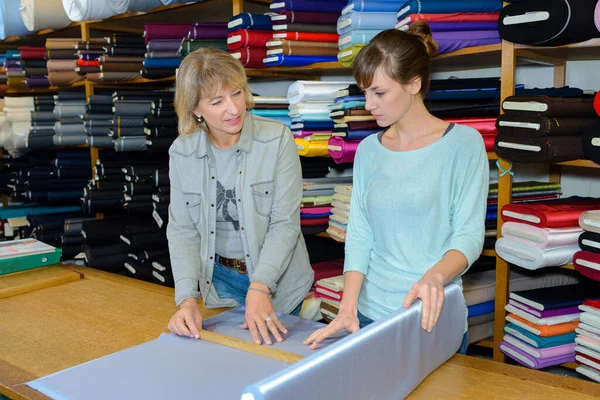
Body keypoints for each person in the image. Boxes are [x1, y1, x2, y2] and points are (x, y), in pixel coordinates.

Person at [304, 25, 489, 353]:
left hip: (431, 315)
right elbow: (360, 235)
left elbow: (469, 236)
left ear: (414, 83)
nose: (368, 104)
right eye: (364, 92)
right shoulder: (368, 151)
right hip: (370, 314)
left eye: (379, 92)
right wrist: (347, 309)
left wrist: (434, 276)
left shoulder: (463, 144)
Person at [167, 48, 314, 346]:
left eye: (236, 93)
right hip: (218, 285)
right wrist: (187, 299)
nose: (234, 109)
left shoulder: (276, 139)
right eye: (217, 101)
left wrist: (260, 287)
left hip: (277, 283)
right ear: (195, 109)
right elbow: (182, 230)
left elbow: (284, 224)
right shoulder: (181, 152)